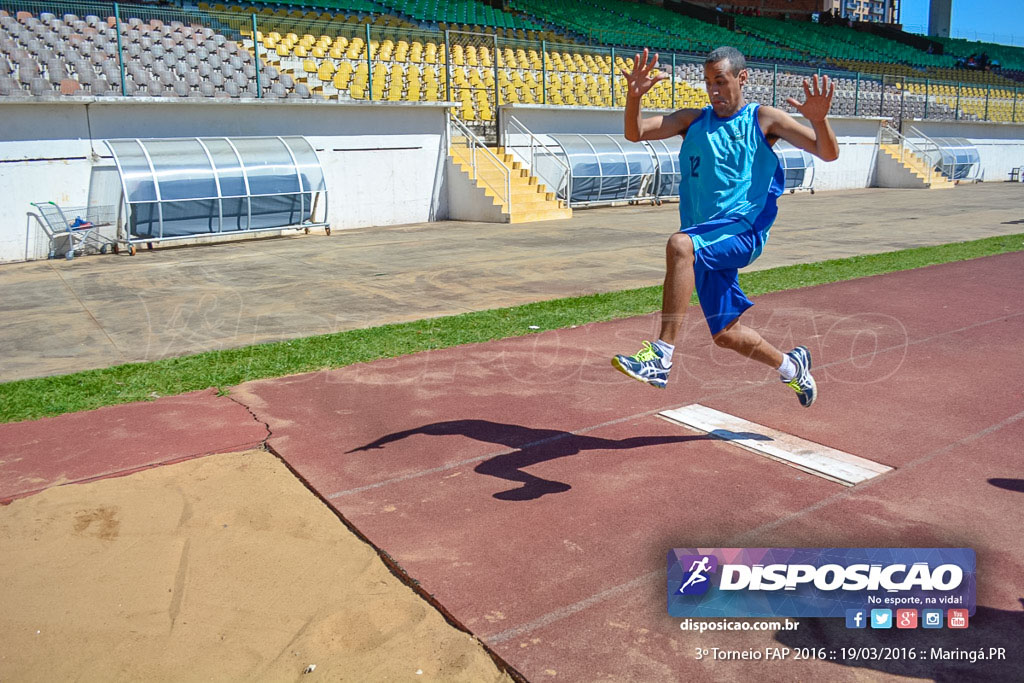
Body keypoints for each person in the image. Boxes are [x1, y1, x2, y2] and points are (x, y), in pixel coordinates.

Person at [611, 46, 838, 407]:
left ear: (742, 78)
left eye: (720, 81)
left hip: (742, 231)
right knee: (725, 334)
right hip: (707, 240)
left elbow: (826, 153)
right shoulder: (692, 121)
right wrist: (633, 97)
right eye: (707, 83)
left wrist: (820, 120)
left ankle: (661, 356)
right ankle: (792, 368)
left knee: (679, 245)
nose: (713, 90)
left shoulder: (762, 119)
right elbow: (636, 133)